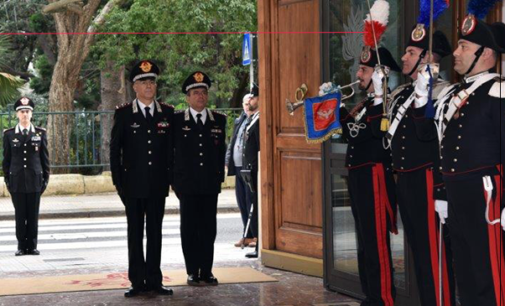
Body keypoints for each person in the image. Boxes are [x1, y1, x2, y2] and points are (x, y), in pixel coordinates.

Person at [415, 16, 505, 306]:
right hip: (456, 195)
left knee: (489, 274)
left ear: (486, 53)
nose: (456, 52)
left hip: (486, 196)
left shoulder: (499, 92)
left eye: (464, 46)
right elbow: (426, 135)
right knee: (464, 273)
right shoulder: (453, 94)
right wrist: (421, 94)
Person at [376, 25, 456, 306]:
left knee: (435, 255)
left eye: (411, 52)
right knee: (419, 254)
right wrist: (378, 92)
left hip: (428, 181)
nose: (405, 57)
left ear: (428, 58)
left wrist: (442, 189)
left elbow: (435, 139)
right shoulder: (401, 93)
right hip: (406, 181)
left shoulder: (444, 93)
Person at [327, 46, 400, 306]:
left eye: (364, 70)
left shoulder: (387, 102)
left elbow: (376, 133)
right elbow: (351, 131)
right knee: (364, 238)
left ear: (381, 74)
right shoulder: (367, 102)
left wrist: (380, 95)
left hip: (375, 176)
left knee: (376, 241)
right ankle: (371, 295)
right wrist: (335, 104)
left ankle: (383, 298)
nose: (358, 74)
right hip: (359, 176)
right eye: (360, 68)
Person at [110, 60, 174, 297]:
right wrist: (118, 182)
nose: (148, 86)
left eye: (152, 82)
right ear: (134, 87)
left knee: (155, 232)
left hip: (157, 184)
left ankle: (154, 279)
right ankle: (137, 280)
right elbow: (115, 150)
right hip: (133, 185)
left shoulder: (167, 113)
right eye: (143, 82)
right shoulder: (124, 114)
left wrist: (171, 179)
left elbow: (172, 150)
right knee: (135, 233)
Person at [172, 71, 227, 286]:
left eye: (203, 92)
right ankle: (192, 270)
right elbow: (172, 153)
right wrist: (174, 180)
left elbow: (220, 151)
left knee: (208, 228)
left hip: (209, 184)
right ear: (188, 97)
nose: (200, 96)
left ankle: (207, 270)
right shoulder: (177, 120)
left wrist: (219, 178)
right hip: (187, 184)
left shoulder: (218, 120)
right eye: (195, 93)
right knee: (189, 228)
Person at [2, 97, 50, 257]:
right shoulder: (9, 135)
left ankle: (33, 245)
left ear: (32, 114)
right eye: (22, 112)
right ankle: (22, 246)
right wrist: (8, 180)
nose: (25, 114)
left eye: (27, 111)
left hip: (35, 181)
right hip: (16, 181)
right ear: (17, 114)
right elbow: (6, 160)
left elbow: (45, 160)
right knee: (20, 215)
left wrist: (45, 180)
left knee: (33, 214)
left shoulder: (40, 133)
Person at [225, 94, 256, 248]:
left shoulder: (255, 120)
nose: (246, 105)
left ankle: (255, 235)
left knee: (251, 201)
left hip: (248, 167)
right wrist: (227, 160)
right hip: (237, 167)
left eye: (249, 102)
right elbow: (233, 142)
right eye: (244, 103)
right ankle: (246, 234)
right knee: (242, 202)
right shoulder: (240, 120)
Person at [241, 84, 260, 258]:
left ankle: (260, 244)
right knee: (253, 206)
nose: (250, 100)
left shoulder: (260, 120)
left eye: (253, 97)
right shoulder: (253, 118)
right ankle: (258, 243)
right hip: (250, 172)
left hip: (257, 171)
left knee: (258, 208)